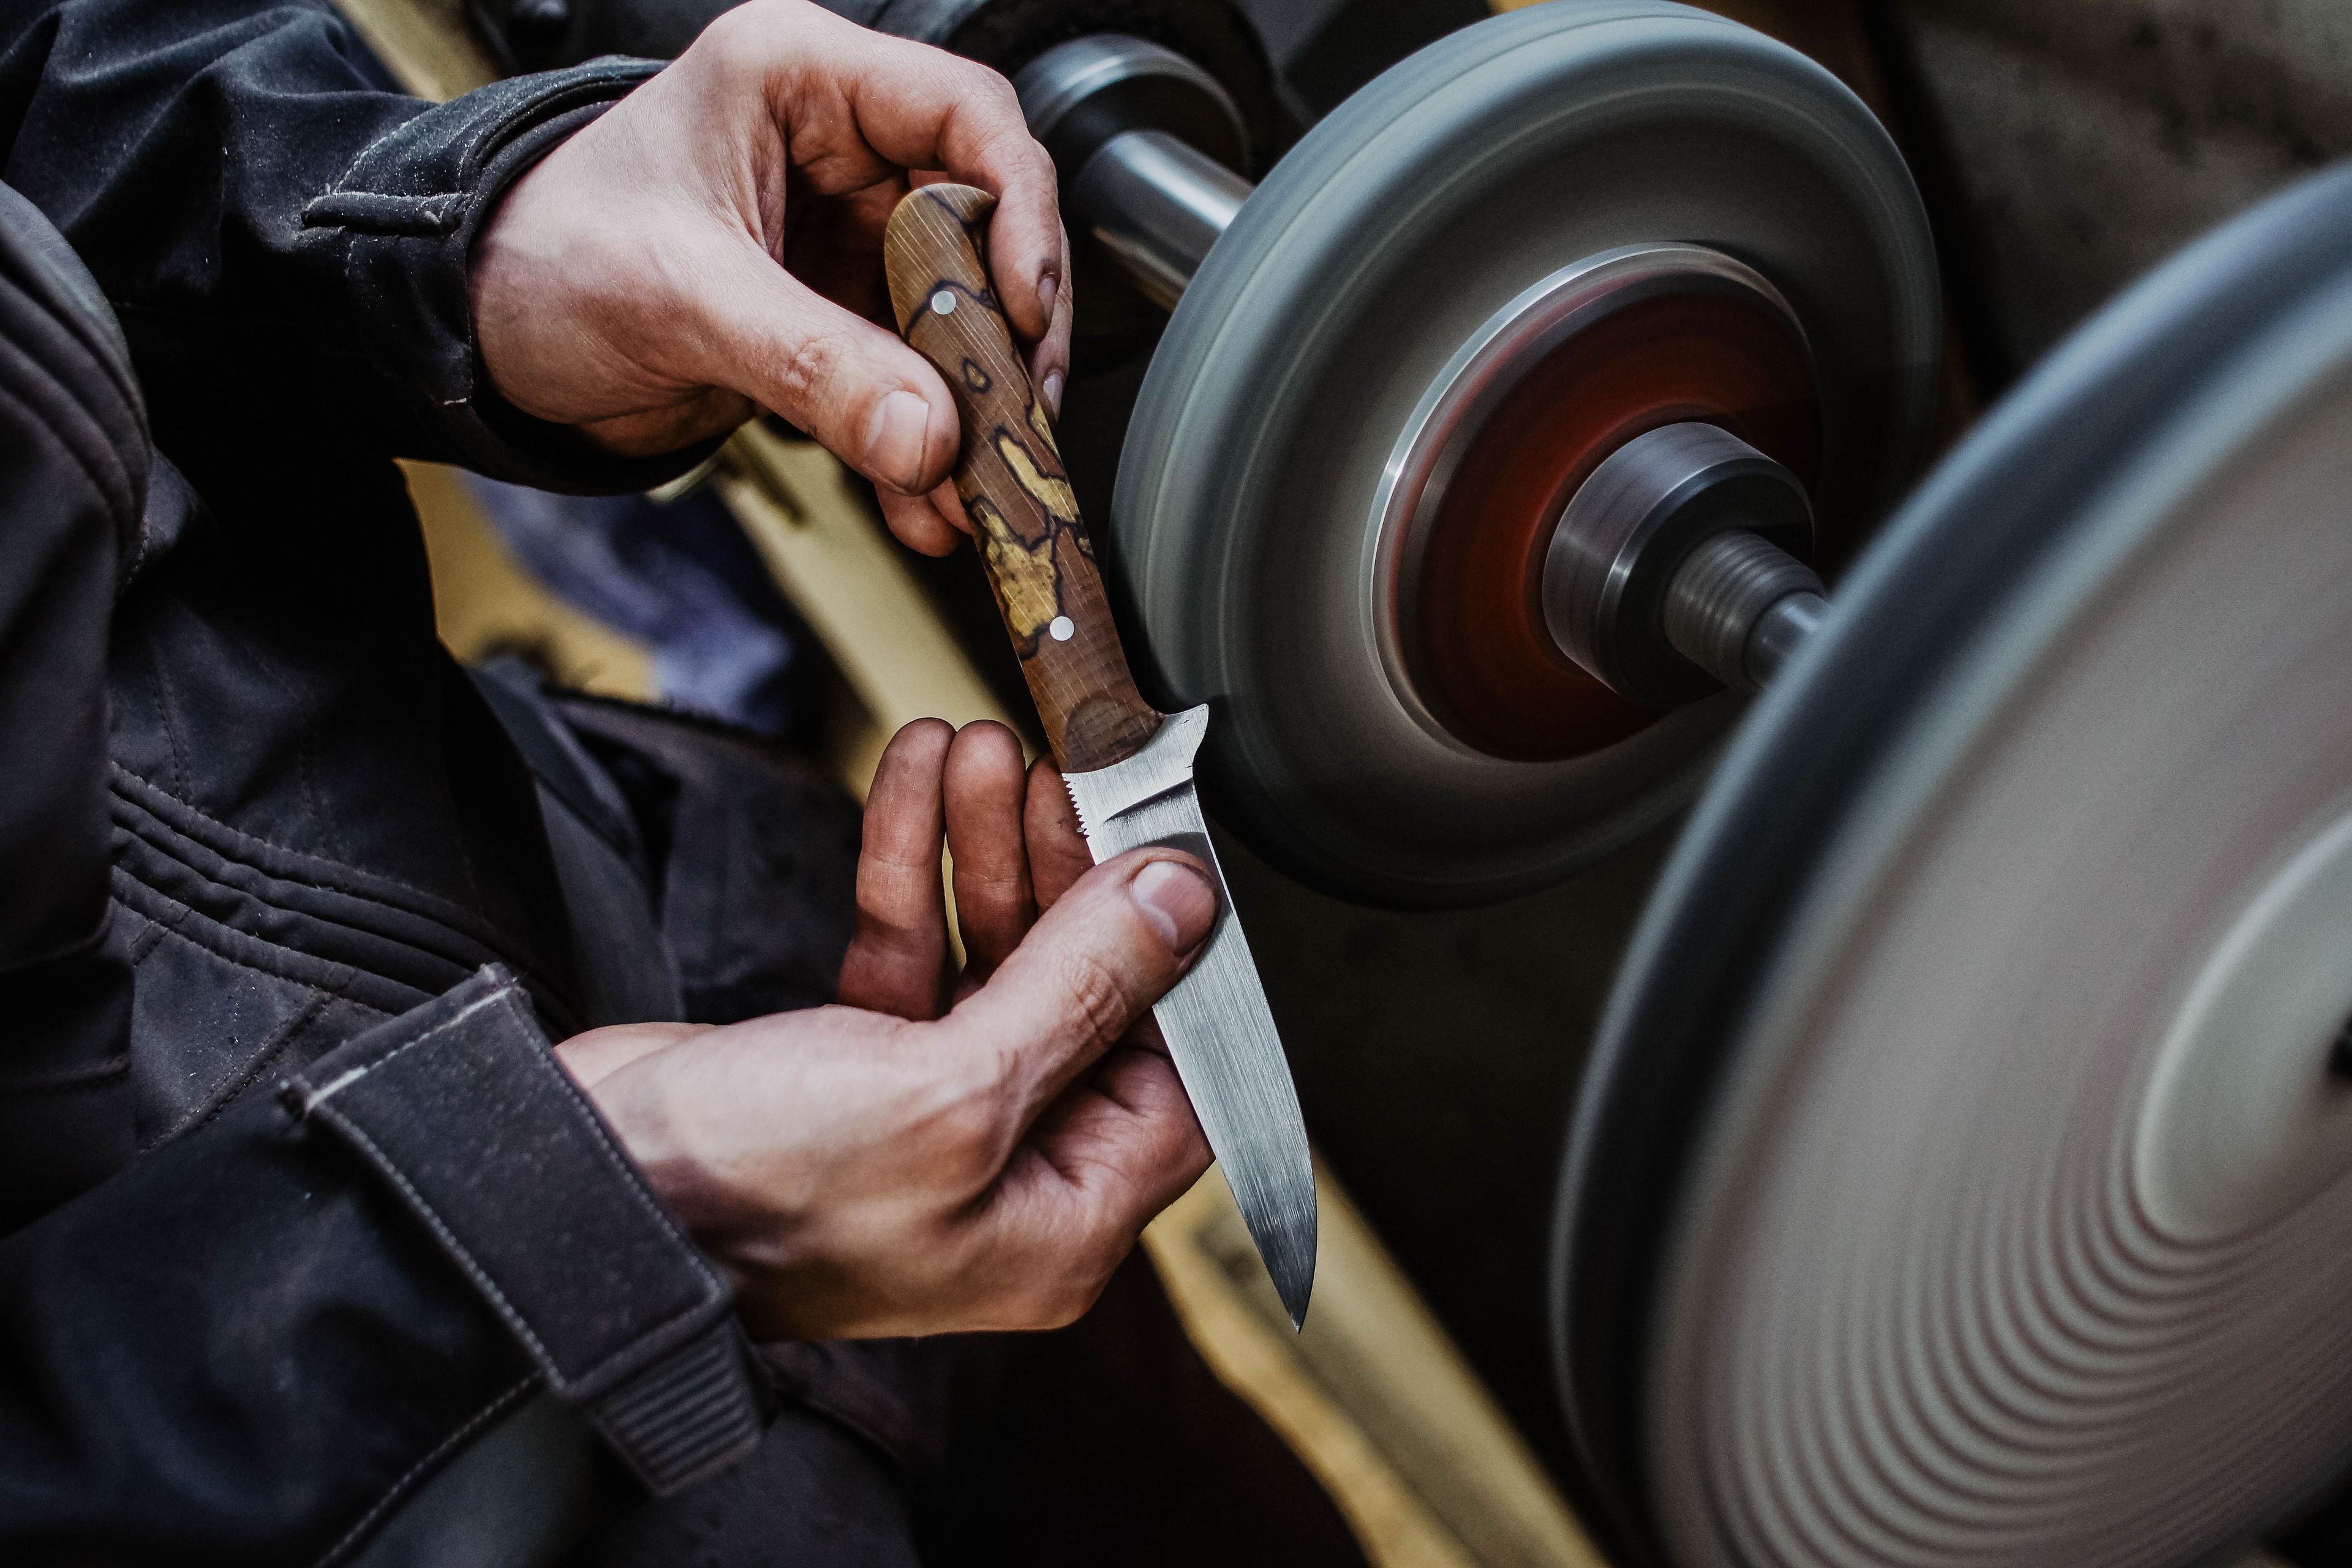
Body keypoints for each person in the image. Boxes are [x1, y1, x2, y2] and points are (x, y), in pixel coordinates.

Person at [0, 0, 1364, 1560]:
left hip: (676, 899)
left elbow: (46, 74)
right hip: (542, 1473)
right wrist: (559, 1202)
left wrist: (470, 229)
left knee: (1187, 1497)